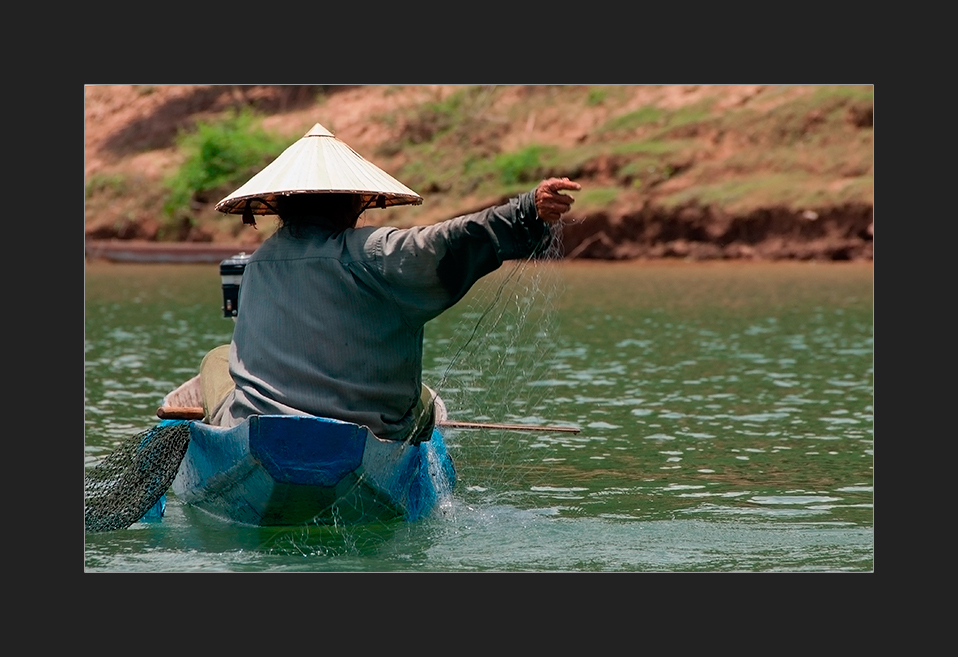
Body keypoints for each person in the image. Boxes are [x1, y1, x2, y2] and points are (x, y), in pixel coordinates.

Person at [201, 123, 580, 444]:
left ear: (280, 207)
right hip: (366, 434)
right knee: (427, 400)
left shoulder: (260, 262)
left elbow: (445, 241)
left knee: (217, 358)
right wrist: (524, 212)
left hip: (261, 431)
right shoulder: (373, 253)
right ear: (353, 204)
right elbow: (447, 241)